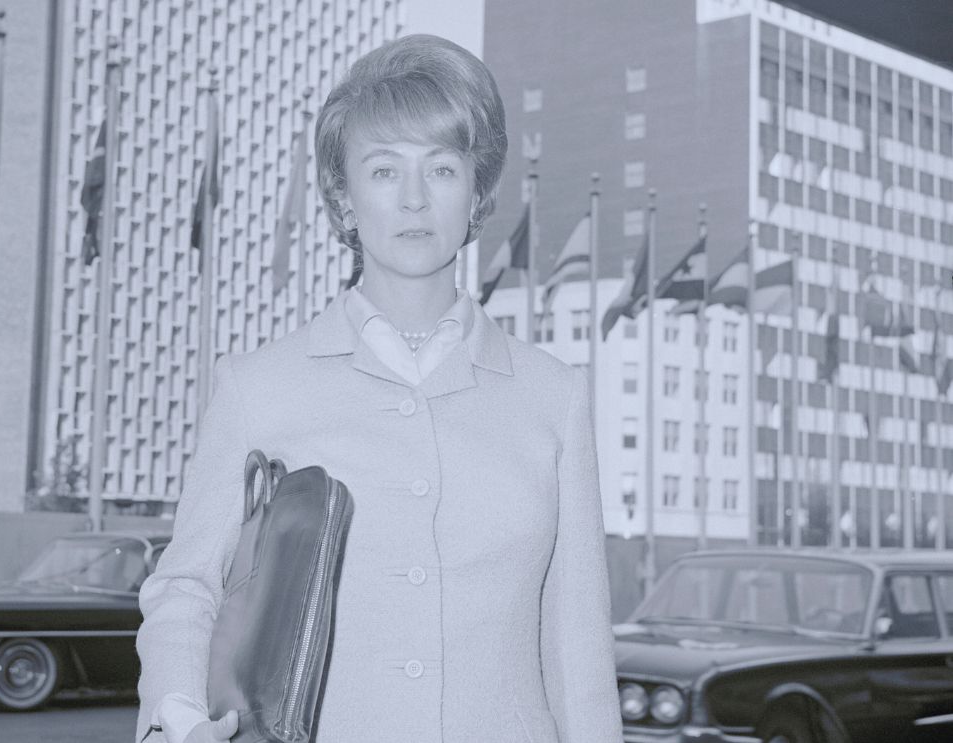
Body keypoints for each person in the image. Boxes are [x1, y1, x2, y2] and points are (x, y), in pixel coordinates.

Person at [135, 33, 623, 743]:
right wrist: (179, 717)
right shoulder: (256, 387)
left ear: (477, 191)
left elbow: (577, 645)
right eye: (385, 169)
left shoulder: (553, 395)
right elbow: (185, 589)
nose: (415, 198)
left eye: (443, 168)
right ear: (343, 193)